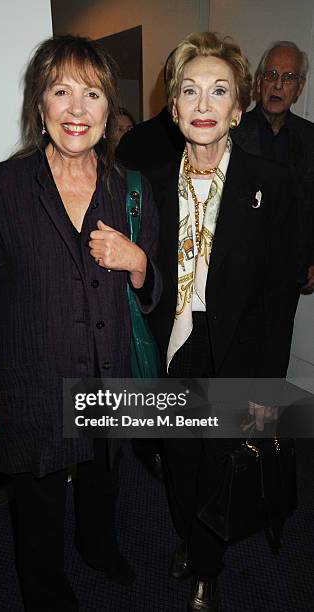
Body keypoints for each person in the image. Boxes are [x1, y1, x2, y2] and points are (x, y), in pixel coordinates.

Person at [0, 35, 160, 612]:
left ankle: (98, 548)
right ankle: (43, 587)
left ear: (108, 109)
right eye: (60, 92)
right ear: (39, 106)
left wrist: (140, 266)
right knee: (38, 498)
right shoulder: (4, 189)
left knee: (102, 480)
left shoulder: (129, 191)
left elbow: (153, 295)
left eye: (91, 94)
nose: (76, 109)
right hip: (34, 383)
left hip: (108, 377)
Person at [143, 32, 298, 611]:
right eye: (190, 91)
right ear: (174, 105)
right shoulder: (150, 184)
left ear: (238, 108)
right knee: (177, 459)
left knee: (218, 461)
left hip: (238, 348)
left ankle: (208, 564)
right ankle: (186, 535)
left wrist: (267, 387)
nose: (203, 105)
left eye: (219, 92)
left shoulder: (271, 183)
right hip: (174, 346)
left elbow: (281, 297)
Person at [232, 41, 314, 293]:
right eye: (271, 75)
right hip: (238, 273)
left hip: (289, 274)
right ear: (259, 83)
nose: (278, 85)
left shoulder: (310, 138)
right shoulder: (232, 133)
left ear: (300, 88)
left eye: (289, 78)